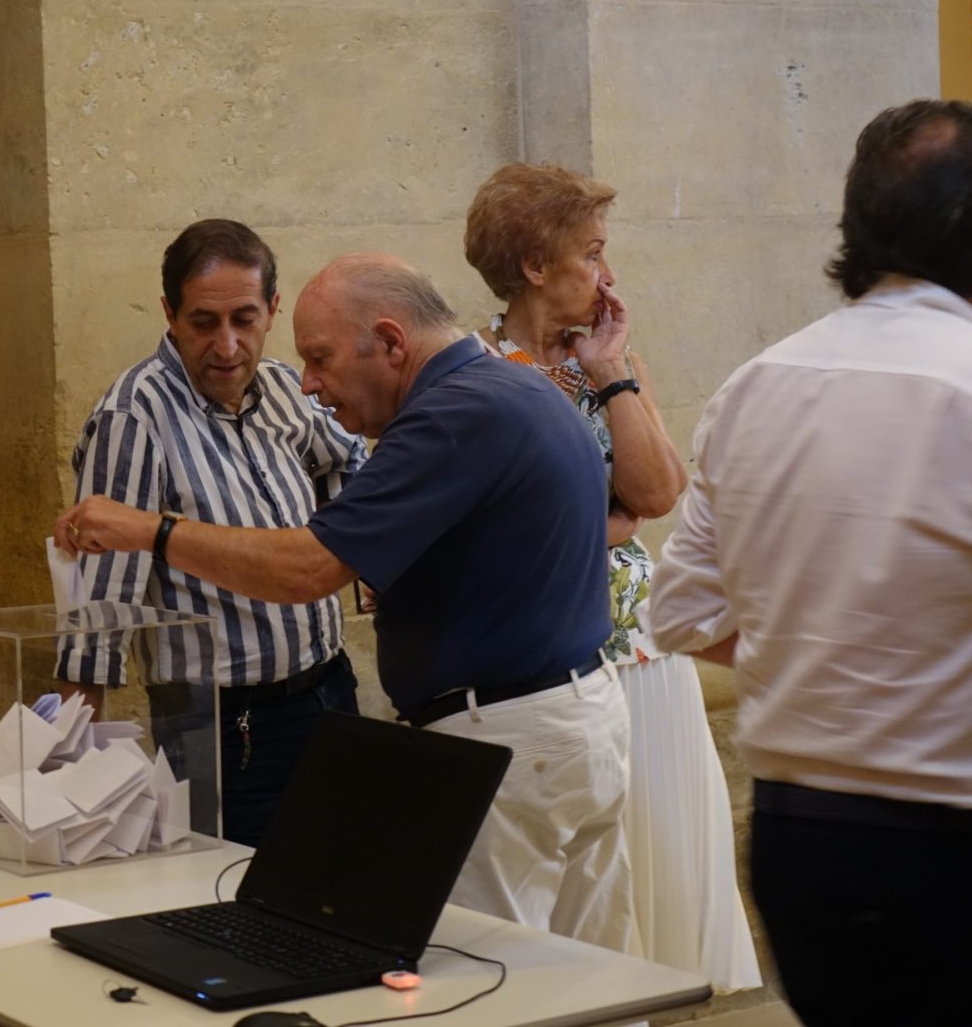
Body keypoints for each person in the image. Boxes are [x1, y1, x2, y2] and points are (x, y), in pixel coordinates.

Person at [57, 253, 637, 953]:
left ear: (390, 341)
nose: (308, 382)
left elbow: (307, 569)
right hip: (572, 717)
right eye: (204, 321)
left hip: (507, 741)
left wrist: (154, 530)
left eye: (320, 358)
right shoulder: (513, 383)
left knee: (483, 967)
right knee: (587, 965)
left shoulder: (448, 417)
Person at [650, 99, 972, 1027]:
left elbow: (684, 612)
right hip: (971, 848)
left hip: (802, 842)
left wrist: (828, 662)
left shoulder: (756, 387)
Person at [464, 164, 760, 990]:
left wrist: (610, 371)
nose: (608, 274)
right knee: (583, 895)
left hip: (643, 650)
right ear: (535, 265)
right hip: (550, 658)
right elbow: (501, 527)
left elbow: (657, 494)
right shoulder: (477, 373)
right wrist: (601, 517)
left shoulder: (607, 357)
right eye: (591, 254)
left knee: (659, 861)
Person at [59, 218, 368, 849]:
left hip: (329, 690)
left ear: (272, 310)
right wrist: (70, 759)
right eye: (203, 323)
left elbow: (347, 458)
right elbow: (101, 604)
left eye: (244, 320)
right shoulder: (133, 417)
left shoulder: (284, 388)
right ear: (170, 314)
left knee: (339, 876)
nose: (226, 346)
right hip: (221, 723)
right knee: (229, 891)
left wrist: (350, 555)